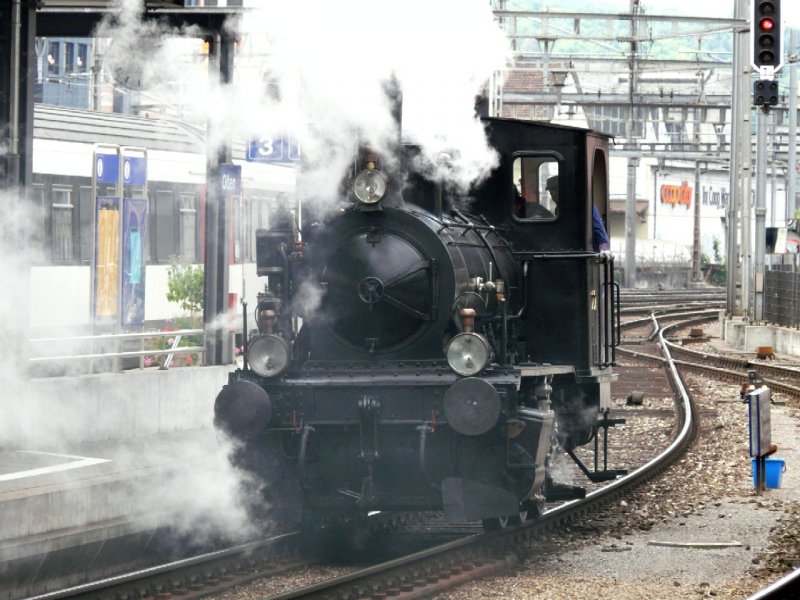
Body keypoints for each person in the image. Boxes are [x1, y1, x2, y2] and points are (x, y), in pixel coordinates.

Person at [547, 175, 610, 252]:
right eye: (550, 191)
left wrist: (604, 248)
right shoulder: (559, 209)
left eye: (554, 190)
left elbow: (597, 226)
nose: (552, 195)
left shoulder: (583, 204)